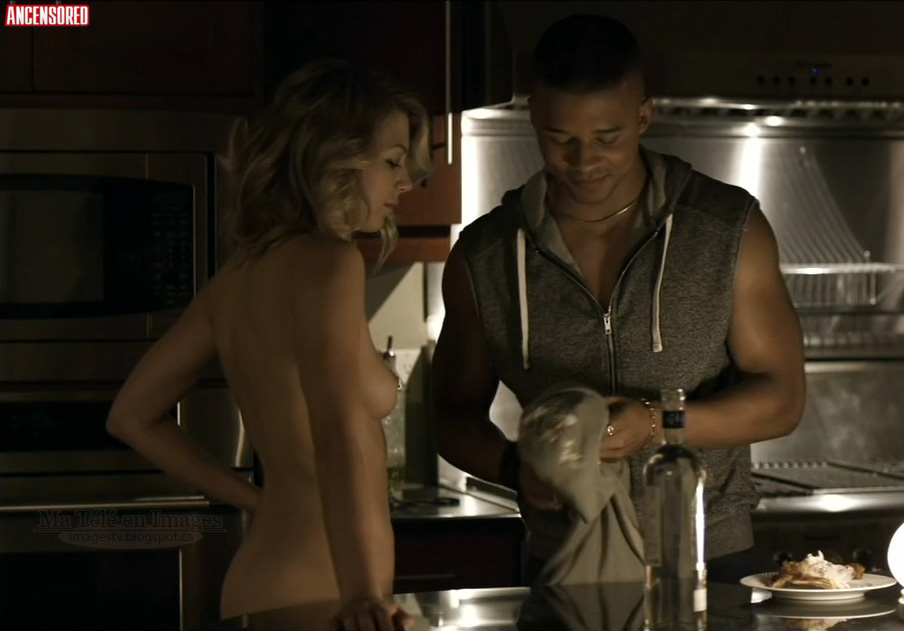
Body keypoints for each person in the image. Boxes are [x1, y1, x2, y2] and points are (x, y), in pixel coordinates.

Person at [431, 14, 806, 584]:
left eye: (606, 138)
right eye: (561, 139)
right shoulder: (485, 256)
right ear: (533, 118)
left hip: (707, 559)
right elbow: (452, 418)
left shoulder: (726, 228)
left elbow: (783, 398)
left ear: (643, 117)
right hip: (563, 562)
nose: (583, 163)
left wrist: (656, 424)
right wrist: (514, 468)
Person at [106, 58, 431, 631]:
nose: (405, 182)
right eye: (392, 161)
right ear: (333, 158)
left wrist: (260, 501)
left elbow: (131, 416)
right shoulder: (332, 264)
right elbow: (338, 433)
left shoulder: (237, 277)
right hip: (327, 592)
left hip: (264, 579)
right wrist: (364, 595)